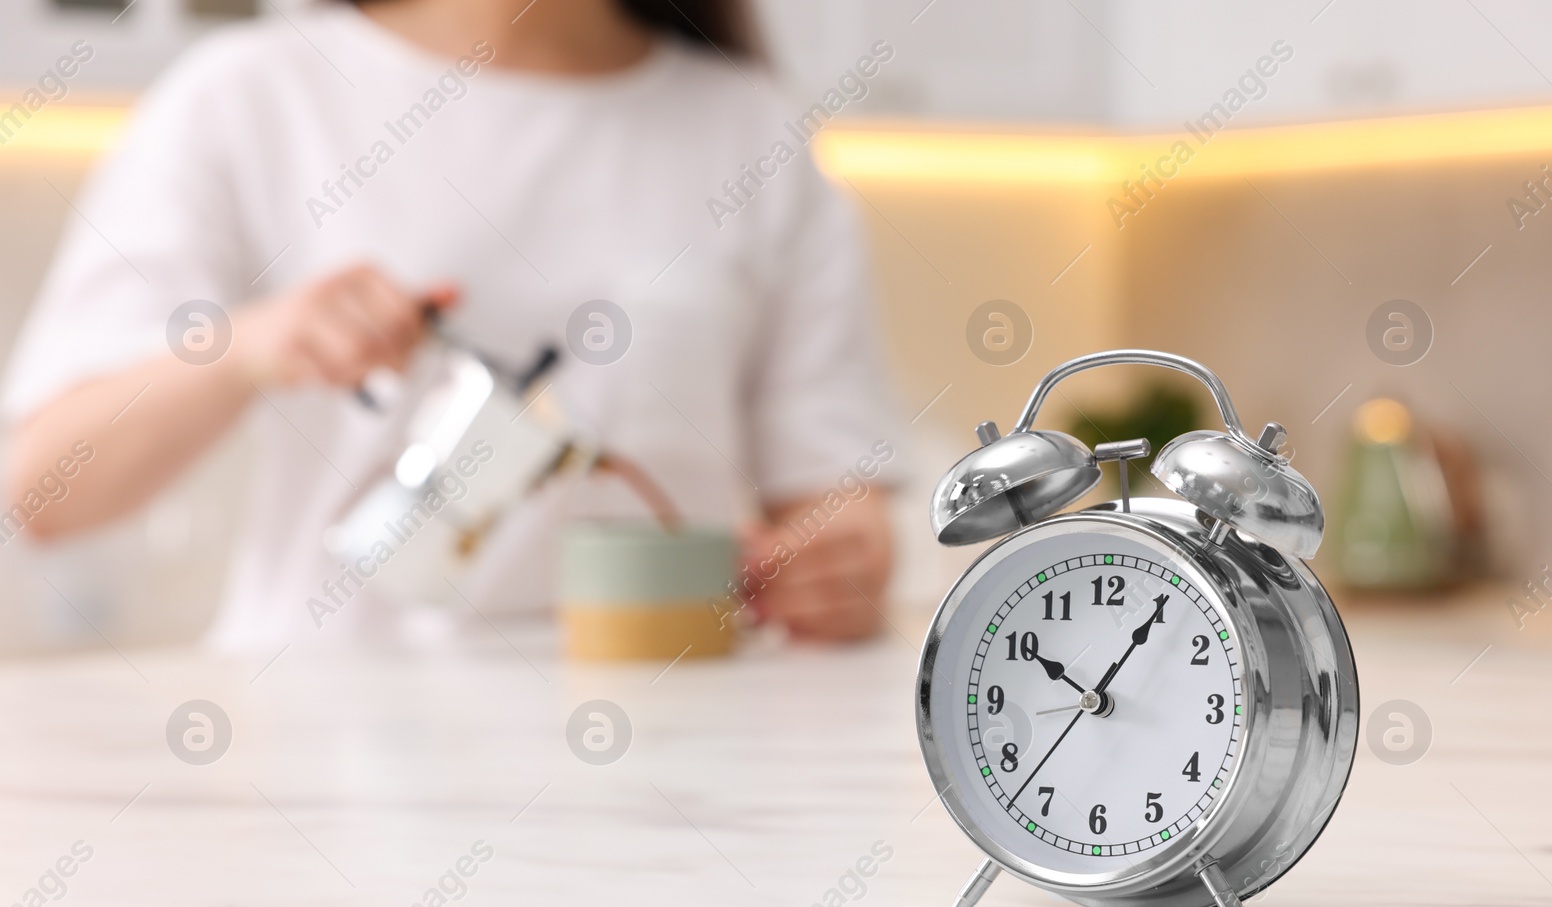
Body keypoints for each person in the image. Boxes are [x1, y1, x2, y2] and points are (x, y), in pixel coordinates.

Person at [3, 0, 899, 649]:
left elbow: (837, 501)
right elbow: (41, 489)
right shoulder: (252, 93)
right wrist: (254, 346)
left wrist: (839, 572)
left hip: (670, 765)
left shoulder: (753, 131)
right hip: (321, 769)